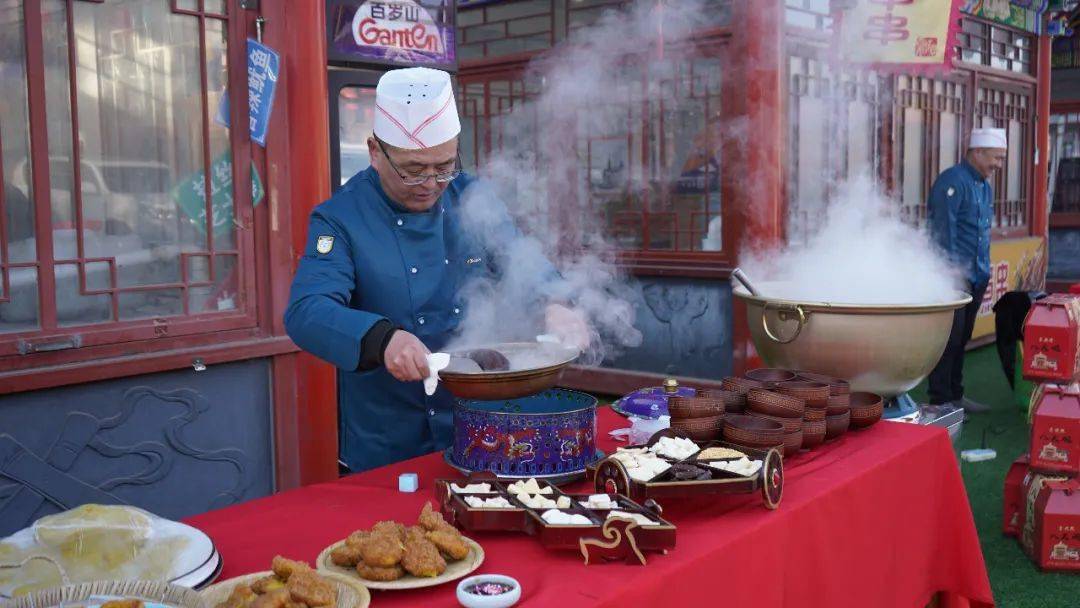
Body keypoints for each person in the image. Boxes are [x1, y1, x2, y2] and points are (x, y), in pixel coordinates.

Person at [284, 67, 588, 473]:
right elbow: (306, 310)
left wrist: (555, 301)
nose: (431, 182)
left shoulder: (472, 196)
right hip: (387, 443)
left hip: (481, 430)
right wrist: (383, 338)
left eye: (445, 165)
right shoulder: (340, 218)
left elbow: (520, 257)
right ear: (375, 151)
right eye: (413, 169)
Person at [926, 128, 1007, 413]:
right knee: (947, 341)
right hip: (953, 276)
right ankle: (939, 400)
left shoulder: (985, 185)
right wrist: (947, 272)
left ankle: (956, 395)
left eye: (1002, 158)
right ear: (977, 152)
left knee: (962, 339)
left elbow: (981, 231)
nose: (998, 164)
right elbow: (941, 231)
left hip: (977, 274)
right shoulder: (952, 182)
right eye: (995, 158)